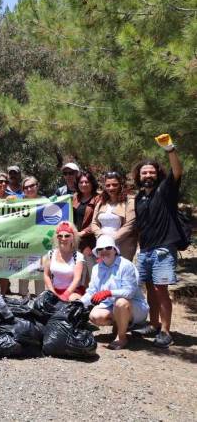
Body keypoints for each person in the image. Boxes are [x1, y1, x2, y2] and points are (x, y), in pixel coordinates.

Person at [131, 135, 184, 348]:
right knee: (150, 289)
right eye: (144, 172)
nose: (148, 175)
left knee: (161, 290)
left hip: (163, 249)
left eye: (151, 172)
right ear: (139, 176)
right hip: (145, 250)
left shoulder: (165, 190)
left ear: (157, 174)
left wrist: (170, 150)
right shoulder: (139, 197)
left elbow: (178, 171)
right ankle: (153, 324)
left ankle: (165, 330)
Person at [81, 235, 149, 350]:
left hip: (135, 306)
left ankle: (122, 337)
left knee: (121, 302)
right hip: (112, 306)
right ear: (97, 252)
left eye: (108, 248)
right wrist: (79, 303)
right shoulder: (96, 268)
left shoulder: (126, 265)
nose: (104, 251)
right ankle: (120, 325)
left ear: (115, 250)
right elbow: (91, 292)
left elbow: (130, 292)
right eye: (100, 249)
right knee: (95, 316)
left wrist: (109, 293)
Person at [90, 172, 138, 262]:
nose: (111, 188)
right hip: (102, 245)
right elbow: (94, 223)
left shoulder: (129, 202)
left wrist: (110, 240)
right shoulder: (101, 203)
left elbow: (129, 225)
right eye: (108, 185)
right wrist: (101, 236)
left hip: (122, 246)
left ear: (121, 185)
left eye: (114, 185)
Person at [42, 222, 85, 301]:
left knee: (72, 300)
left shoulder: (78, 256)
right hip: (54, 291)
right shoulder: (51, 254)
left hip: (72, 292)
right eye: (60, 236)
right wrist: (52, 292)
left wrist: (66, 295)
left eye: (67, 236)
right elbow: (46, 275)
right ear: (57, 237)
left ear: (73, 237)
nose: (63, 238)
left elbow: (77, 279)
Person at [73, 170, 101, 263]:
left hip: (91, 241)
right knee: (77, 269)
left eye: (87, 182)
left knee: (91, 269)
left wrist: (83, 233)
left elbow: (98, 220)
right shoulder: (75, 197)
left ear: (92, 183)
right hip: (75, 240)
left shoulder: (99, 198)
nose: (84, 184)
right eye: (81, 182)